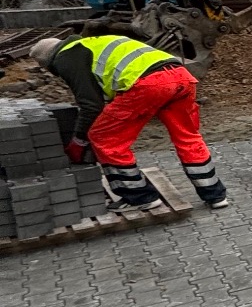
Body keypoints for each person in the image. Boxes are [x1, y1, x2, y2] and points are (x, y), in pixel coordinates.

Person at [31, 33, 229, 210]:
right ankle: (215, 195)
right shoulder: (95, 42)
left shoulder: (66, 58)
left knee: (104, 137)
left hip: (148, 84)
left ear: (48, 63)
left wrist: (79, 140)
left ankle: (140, 197)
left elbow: (91, 106)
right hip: (181, 76)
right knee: (187, 136)